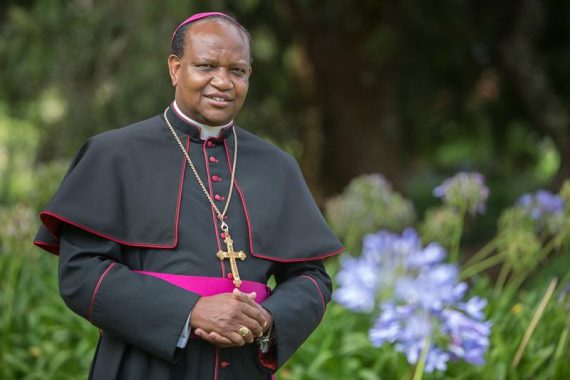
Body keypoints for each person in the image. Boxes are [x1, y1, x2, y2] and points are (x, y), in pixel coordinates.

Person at [33, 11, 343, 380]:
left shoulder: (278, 167)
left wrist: (268, 320)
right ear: (175, 69)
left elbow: (311, 278)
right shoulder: (114, 154)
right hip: (143, 365)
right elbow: (81, 274)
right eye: (207, 66)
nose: (222, 82)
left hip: (242, 367)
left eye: (237, 71)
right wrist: (190, 311)